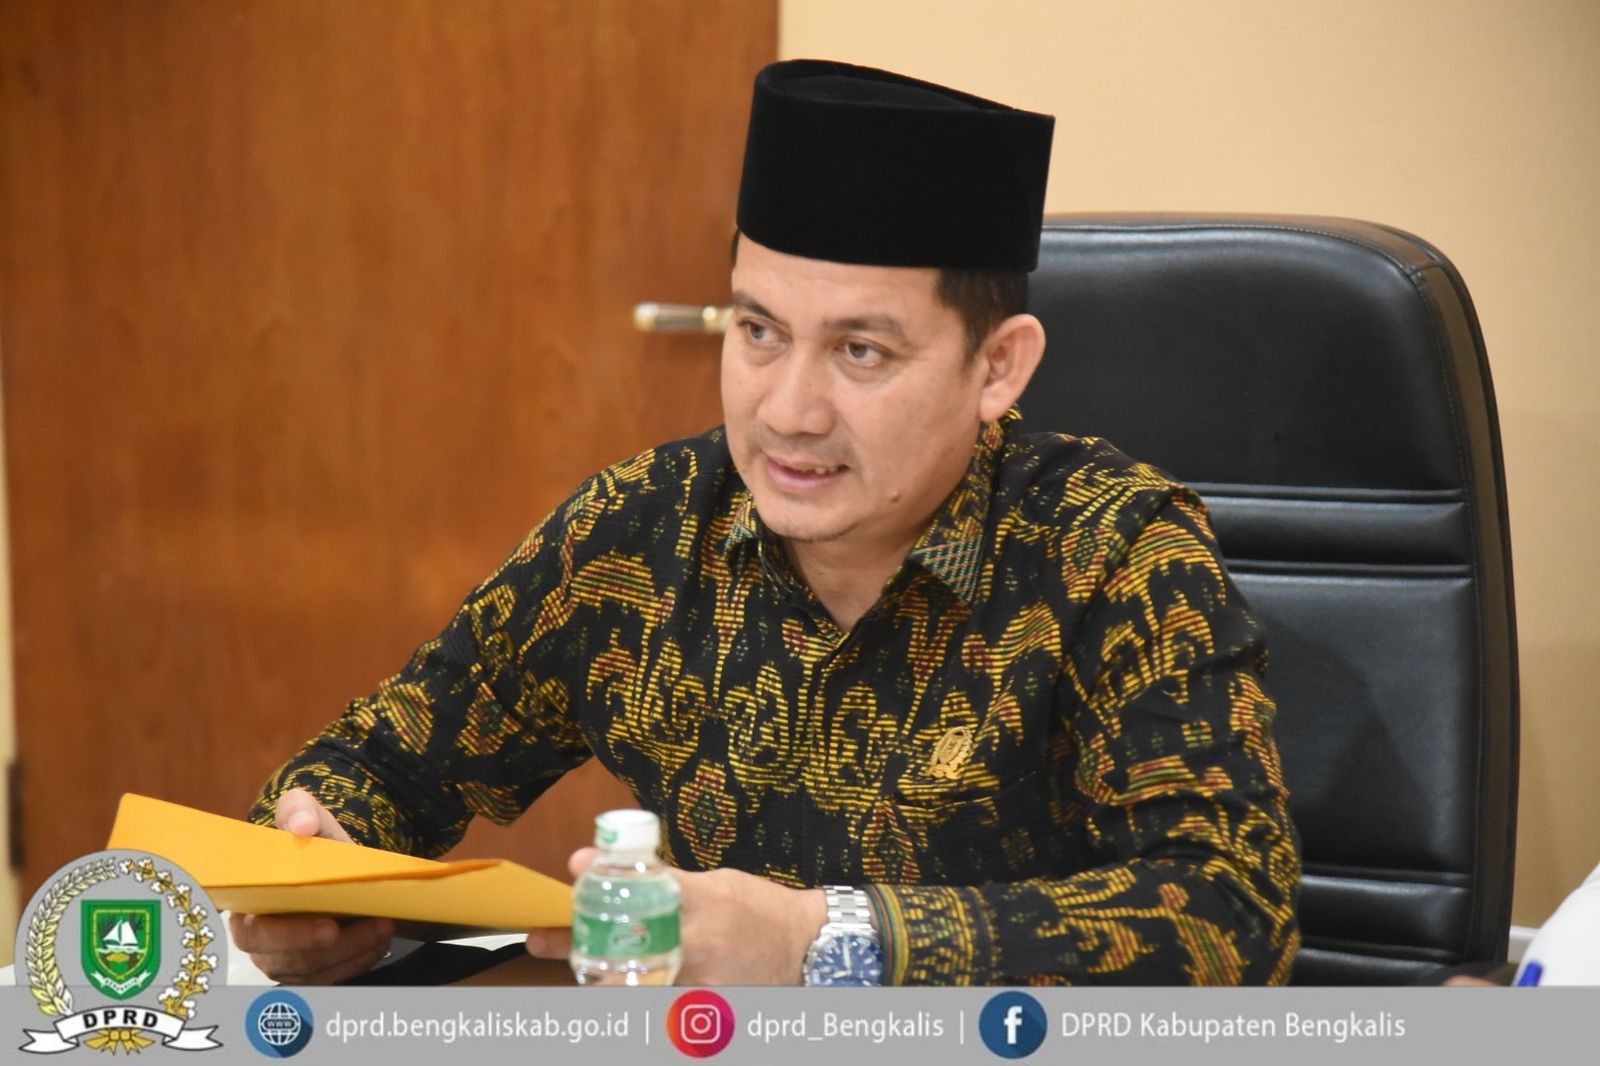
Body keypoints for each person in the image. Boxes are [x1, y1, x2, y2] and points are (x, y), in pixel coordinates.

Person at [230, 59, 1301, 987]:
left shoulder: (1114, 550)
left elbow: (1229, 912)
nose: (787, 412)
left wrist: (815, 942)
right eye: (758, 331)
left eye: (860, 352)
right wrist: (319, 873)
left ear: (998, 368)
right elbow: (383, 762)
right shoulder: (637, 530)